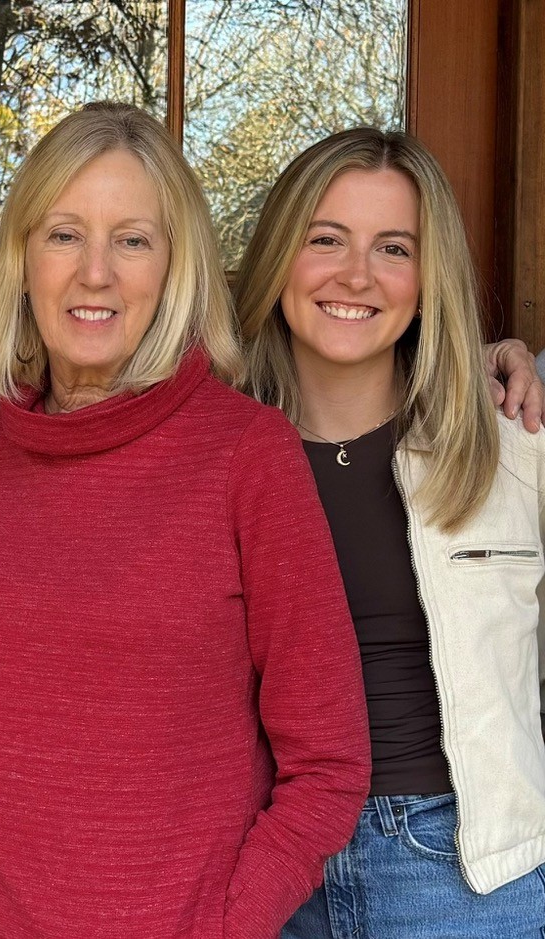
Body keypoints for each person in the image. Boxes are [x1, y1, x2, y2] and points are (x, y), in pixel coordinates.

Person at [0, 101, 371, 939]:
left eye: (132, 239)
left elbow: (330, 765)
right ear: (20, 260)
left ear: (174, 267)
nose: (95, 272)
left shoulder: (247, 454)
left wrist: (226, 923)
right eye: (63, 234)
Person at [236, 128, 545, 938]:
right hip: (265, 863)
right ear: (279, 257)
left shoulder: (515, 436)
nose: (356, 275)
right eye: (325, 238)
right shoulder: (212, 448)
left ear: (426, 275)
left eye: (394, 248)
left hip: (468, 874)